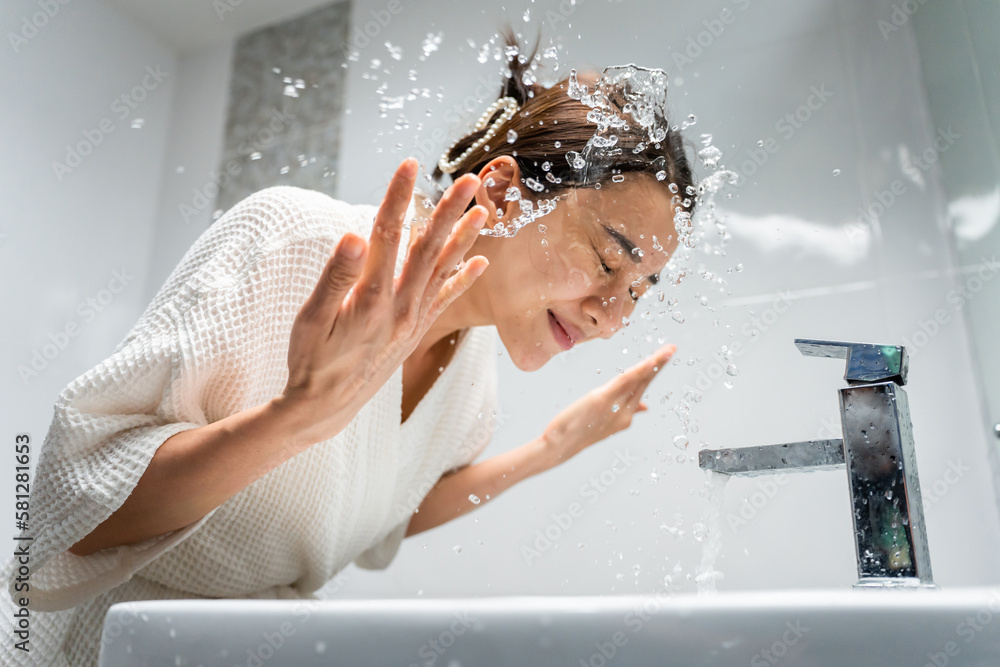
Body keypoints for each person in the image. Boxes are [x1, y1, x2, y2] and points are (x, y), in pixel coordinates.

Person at [1, 32, 696, 666]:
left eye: (640, 289)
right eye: (610, 262)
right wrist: (296, 416)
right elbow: (77, 516)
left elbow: (378, 507)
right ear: (508, 193)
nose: (614, 318)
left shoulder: (472, 378)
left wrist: (551, 448)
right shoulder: (295, 244)